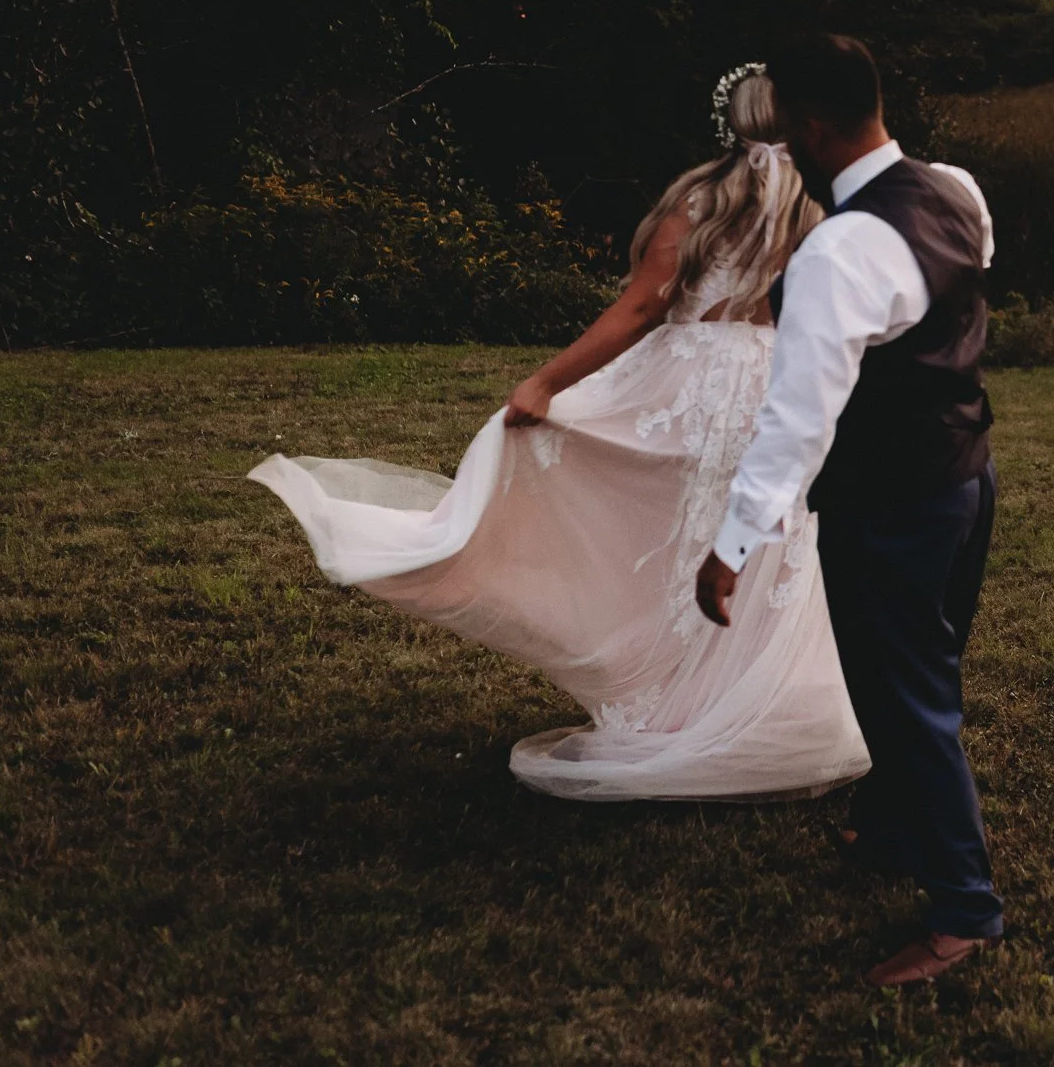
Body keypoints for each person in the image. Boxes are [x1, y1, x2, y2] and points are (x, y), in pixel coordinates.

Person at [249, 69, 870, 802]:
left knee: (673, 543)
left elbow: (640, 310)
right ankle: (737, 709)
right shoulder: (819, 207)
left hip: (695, 390)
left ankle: (678, 710)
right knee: (759, 548)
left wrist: (546, 383)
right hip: (775, 391)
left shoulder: (702, 203)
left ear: (729, 124)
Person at [695, 34, 1003, 988]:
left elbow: (798, 421)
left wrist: (733, 543)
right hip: (965, 476)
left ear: (818, 128)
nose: (785, 148)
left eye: (790, 132)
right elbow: (959, 289)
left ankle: (964, 909)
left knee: (906, 697)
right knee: (921, 667)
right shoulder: (957, 188)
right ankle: (890, 825)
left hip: (894, 500)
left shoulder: (838, 251)